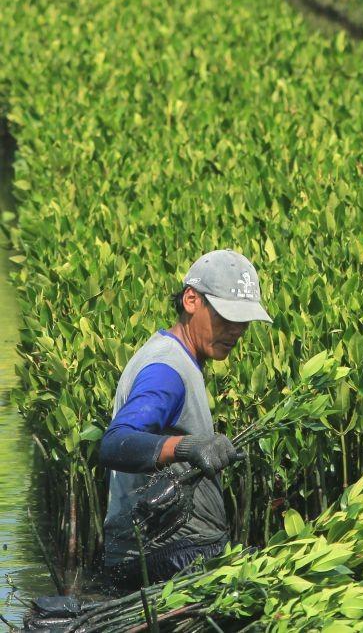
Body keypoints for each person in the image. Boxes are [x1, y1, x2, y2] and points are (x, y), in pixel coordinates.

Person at [99, 250, 273, 590]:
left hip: (170, 554)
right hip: (161, 559)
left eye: (244, 320)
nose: (237, 330)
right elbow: (114, 443)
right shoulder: (166, 371)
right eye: (227, 317)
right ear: (191, 300)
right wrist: (189, 447)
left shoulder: (177, 356)